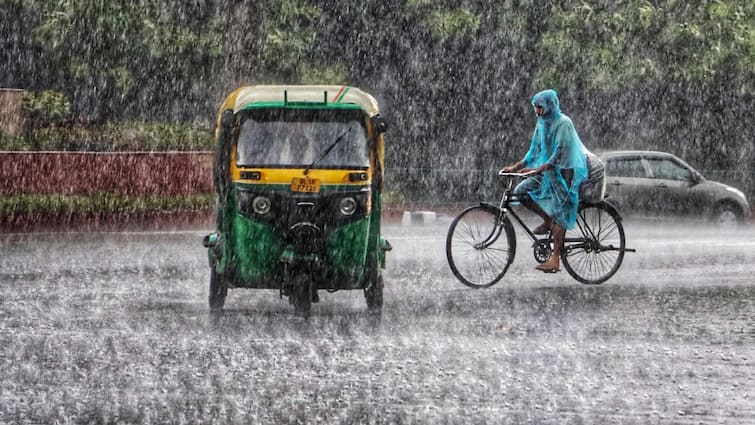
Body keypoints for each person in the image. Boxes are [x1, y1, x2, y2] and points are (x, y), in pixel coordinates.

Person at [500, 89, 589, 273]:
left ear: (549, 105)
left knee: (560, 213)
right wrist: (516, 167)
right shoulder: (542, 123)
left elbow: (559, 154)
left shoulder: (564, 123)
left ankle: (555, 257)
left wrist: (536, 169)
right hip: (547, 172)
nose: (537, 111)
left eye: (540, 107)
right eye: (535, 107)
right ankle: (546, 219)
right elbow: (534, 150)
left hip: (565, 173)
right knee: (521, 192)